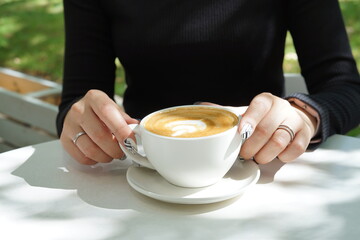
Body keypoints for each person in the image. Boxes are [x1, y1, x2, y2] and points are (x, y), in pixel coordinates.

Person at [57, 0, 360, 165]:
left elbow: (347, 88)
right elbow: (76, 103)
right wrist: (81, 120)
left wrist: (304, 115)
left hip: (261, 167)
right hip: (141, 174)